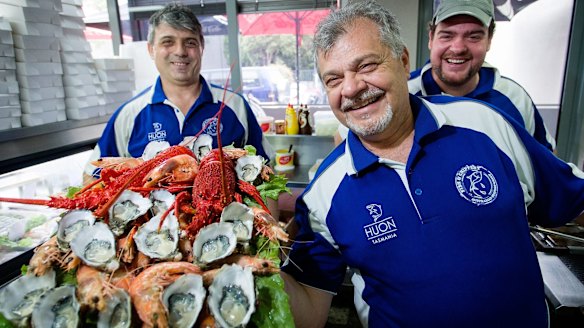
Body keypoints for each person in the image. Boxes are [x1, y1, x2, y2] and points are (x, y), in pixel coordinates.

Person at [280, 1, 584, 327]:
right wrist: (246, 260)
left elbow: (573, 200)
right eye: (334, 79)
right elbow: (308, 313)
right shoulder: (323, 194)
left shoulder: (487, 125)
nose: (351, 88)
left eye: (367, 66)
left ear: (403, 60)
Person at [84, 3, 273, 180]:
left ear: (201, 48)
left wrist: (270, 216)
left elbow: (268, 173)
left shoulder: (235, 105)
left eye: (190, 42)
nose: (180, 51)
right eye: (168, 42)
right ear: (151, 49)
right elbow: (91, 175)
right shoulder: (129, 115)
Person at [336, 0, 556, 152]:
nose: (458, 48)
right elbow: (342, 140)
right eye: (447, 35)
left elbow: (547, 161)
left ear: (489, 40)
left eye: (473, 36)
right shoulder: (403, 92)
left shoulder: (513, 97)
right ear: (431, 37)